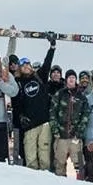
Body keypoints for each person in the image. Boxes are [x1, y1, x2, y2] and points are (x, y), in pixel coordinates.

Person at [13, 41, 57, 170]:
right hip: (29, 125)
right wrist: (20, 117)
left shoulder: (39, 77)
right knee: (30, 157)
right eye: (23, 65)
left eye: (27, 64)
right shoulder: (18, 82)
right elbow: (17, 103)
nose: (26, 66)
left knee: (44, 156)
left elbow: (47, 63)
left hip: (44, 122)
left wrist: (52, 48)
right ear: (19, 69)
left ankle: (46, 181)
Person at [48, 70, 88, 178]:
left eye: (73, 77)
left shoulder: (82, 97)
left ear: (76, 80)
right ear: (66, 80)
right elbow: (52, 112)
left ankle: (82, 183)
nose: (71, 79)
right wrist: (55, 130)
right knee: (59, 164)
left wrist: (79, 131)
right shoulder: (60, 94)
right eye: (69, 77)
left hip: (75, 137)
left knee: (79, 163)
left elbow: (85, 115)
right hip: (61, 135)